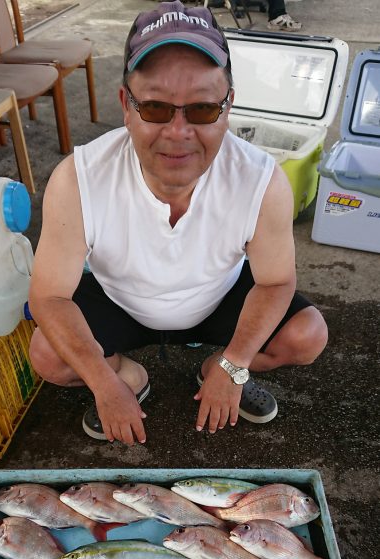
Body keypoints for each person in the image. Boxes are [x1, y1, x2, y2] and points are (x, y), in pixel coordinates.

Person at [29, 0, 327, 447]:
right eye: (155, 108)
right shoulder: (79, 178)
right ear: (125, 105)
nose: (178, 131)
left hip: (215, 297)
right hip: (121, 300)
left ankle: (216, 367)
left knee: (308, 335)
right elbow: (49, 296)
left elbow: (277, 281)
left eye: (203, 110)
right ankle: (129, 374)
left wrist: (234, 364)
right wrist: (105, 386)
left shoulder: (262, 181)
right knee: (47, 356)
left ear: (229, 106)